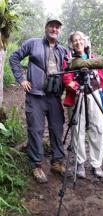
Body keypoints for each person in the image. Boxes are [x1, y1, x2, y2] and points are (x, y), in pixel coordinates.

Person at [9, 18, 67, 183]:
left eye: (57, 27)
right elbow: (14, 58)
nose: (54, 29)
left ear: (59, 31)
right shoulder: (33, 43)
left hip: (54, 97)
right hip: (35, 96)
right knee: (35, 130)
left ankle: (57, 162)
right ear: (46, 28)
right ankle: (36, 165)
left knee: (57, 129)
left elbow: (69, 70)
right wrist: (21, 79)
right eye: (51, 26)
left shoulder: (62, 51)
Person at [63, 31, 103, 178]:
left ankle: (96, 164)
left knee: (98, 128)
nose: (78, 43)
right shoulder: (68, 59)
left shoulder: (94, 59)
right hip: (78, 95)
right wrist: (73, 86)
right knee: (78, 130)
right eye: (75, 41)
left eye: (80, 40)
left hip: (95, 94)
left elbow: (102, 79)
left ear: (85, 41)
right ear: (71, 44)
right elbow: (66, 77)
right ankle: (80, 163)